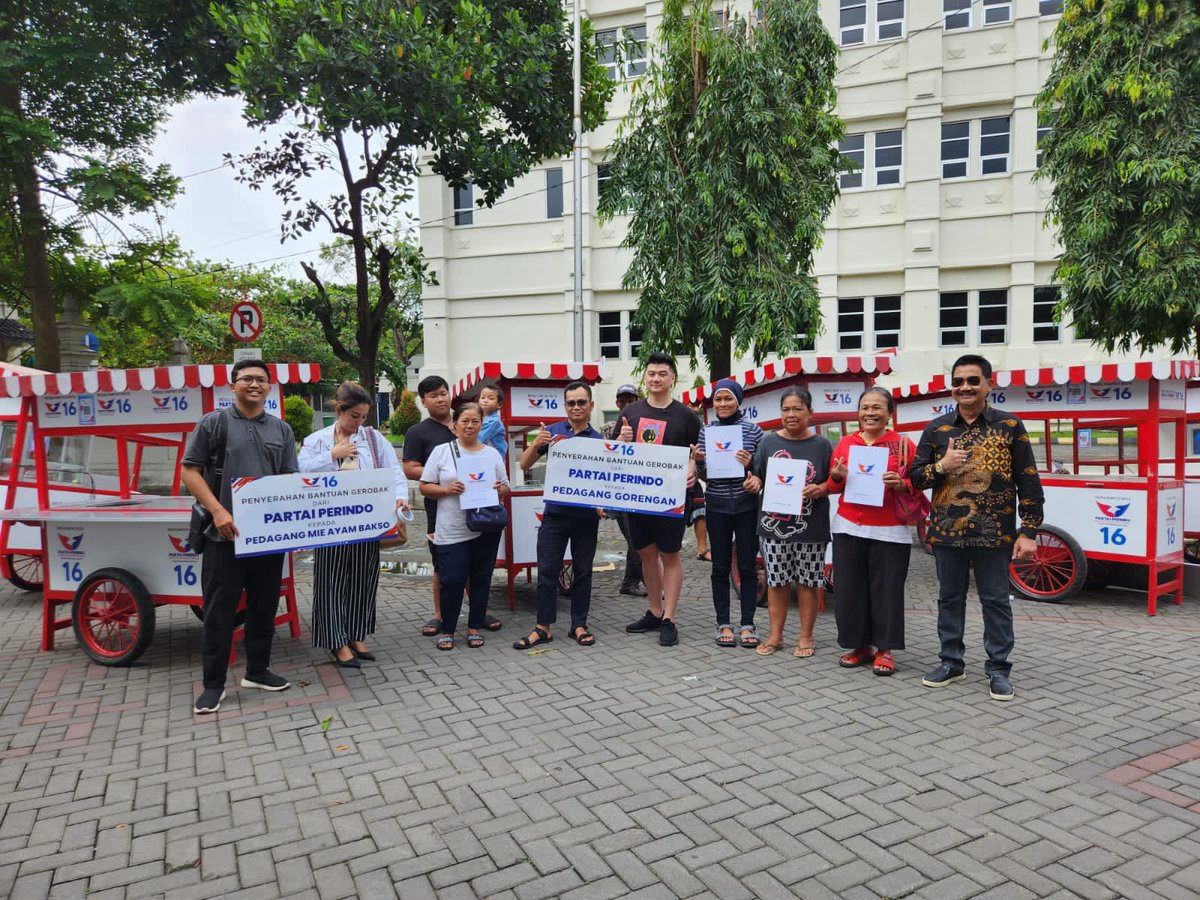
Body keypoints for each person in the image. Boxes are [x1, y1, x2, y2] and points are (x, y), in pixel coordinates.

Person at [910, 354, 1043, 701]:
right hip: (946, 531)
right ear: (951, 387)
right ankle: (951, 662)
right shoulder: (936, 429)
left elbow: (1028, 480)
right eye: (958, 382)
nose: (964, 387)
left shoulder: (1010, 426)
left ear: (989, 384)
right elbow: (914, 478)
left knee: (996, 600)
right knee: (948, 599)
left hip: (995, 531)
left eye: (972, 380)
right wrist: (942, 466)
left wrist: (1028, 531)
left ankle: (998, 669)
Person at [183, 359, 298, 714]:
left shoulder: (281, 430)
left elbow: (288, 480)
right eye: (246, 379)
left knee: (264, 607)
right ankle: (213, 685)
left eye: (261, 380)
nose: (254, 384)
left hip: (267, 540)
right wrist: (218, 511)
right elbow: (190, 471)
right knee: (219, 611)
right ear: (232, 385)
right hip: (223, 538)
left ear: (269, 387)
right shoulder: (214, 423)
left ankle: (258, 670)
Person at [298, 381, 409, 668]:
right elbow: (300, 473)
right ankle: (336, 641)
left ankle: (356, 634)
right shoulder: (317, 441)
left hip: (366, 521)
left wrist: (399, 499)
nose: (359, 422)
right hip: (331, 523)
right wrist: (331, 457)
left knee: (363, 578)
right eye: (353, 416)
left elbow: (394, 472)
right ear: (339, 410)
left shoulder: (372, 439)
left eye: (363, 417)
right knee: (331, 581)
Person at [827, 387, 916, 676]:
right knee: (850, 589)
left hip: (889, 530)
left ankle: (885, 649)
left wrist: (901, 484)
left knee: (887, 590)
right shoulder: (845, 443)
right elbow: (835, 484)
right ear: (858, 413)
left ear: (889, 413)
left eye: (877, 407)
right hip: (849, 526)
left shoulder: (902, 445)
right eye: (865, 407)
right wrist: (837, 476)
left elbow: (918, 482)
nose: (870, 413)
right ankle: (859, 646)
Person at [403, 376, 502, 636]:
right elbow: (411, 470)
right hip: (442, 511)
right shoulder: (419, 434)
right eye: (433, 395)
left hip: (481, 515)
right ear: (423, 401)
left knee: (477, 570)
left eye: (444, 393)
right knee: (446, 570)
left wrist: (486, 485)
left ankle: (475, 616)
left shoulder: (486, 448)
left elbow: (502, 483)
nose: (440, 398)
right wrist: (447, 478)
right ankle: (441, 617)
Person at [513, 381, 603, 649]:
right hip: (555, 514)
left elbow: (602, 479)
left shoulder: (598, 440)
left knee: (583, 571)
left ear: (591, 406)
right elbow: (524, 464)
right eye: (571, 403)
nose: (576, 407)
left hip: (586, 517)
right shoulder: (549, 432)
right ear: (565, 406)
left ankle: (578, 624)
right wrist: (535, 445)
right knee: (547, 570)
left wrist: (602, 504)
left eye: (581, 402)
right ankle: (543, 627)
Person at [745, 387, 832, 658]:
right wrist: (754, 482)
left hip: (811, 526)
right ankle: (776, 636)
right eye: (786, 410)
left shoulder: (822, 445)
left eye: (797, 409)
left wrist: (822, 488)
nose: (791, 415)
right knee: (777, 581)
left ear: (810, 413)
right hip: (773, 527)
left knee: (808, 582)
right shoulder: (769, 443)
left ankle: (806, 637)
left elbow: (834, 481)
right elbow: (757, 475)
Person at [619, 352, 700, 646]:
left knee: (670, 554)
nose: (656, 378)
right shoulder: (631, 413)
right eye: (651, 373)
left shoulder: (687, 416)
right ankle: (654, 611)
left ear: (672, 379)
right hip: (638, 498)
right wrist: (621, 441)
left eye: (662, 374)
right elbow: (615, 454)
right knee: (646, 554)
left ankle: (669, 618)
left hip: (672, 499)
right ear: (645, 377)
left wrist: (694, 467)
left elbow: (698, 456)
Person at [419, 403, 511, 650]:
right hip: (451, 528)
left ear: (482, 424)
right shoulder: (441, 452)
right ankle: (448, 629)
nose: (470, 426)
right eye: (465, 421)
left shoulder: (491, 454)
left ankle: (474, 627)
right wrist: (447, 490)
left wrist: (498, 490)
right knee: (452, 579)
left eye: (475, 421)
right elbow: (424, 486)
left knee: (481, 578)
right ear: (454, 425)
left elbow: (505, 486)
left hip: (485, 528)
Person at [694, 379, 763, 648]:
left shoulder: (754, 431)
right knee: (720, 566)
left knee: (747, 566)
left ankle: (748, 623)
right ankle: (723, 622)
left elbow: (761, 472)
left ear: (738, 401)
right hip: (717, 506)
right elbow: (704, 476)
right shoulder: (705, 432)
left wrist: (752, 467)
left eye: (728, 399)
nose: (722, 404)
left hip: (747, 506)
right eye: (718, 399)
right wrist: (699, 463)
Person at [602, 384, 645, 597]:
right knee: (634, 539)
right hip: (620, 492)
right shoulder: (609, 427)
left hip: (641, 489)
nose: (626, 404)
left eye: (631, 400)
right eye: (622, 400)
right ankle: (635, 581)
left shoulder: (645, 424)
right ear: (617, 403)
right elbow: (603, 455)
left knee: (637, 539)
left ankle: (632, 581)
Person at [688, 401, 710, 561]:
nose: (696, 409)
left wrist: (694, 466)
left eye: (697, 406)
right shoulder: (679, 418)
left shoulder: (700, 426)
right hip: (671, 474)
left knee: (700, 509)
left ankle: (702, 548)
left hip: (692, 475)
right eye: (691, 405)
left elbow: (701, 449)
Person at [477, 382, 509, 462]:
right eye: (483, 397)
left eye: (491, 398)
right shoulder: (481, 419)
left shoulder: (494, 422)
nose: (485, 401)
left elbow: (479, 439)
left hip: (494, 463)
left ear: (499, 404)